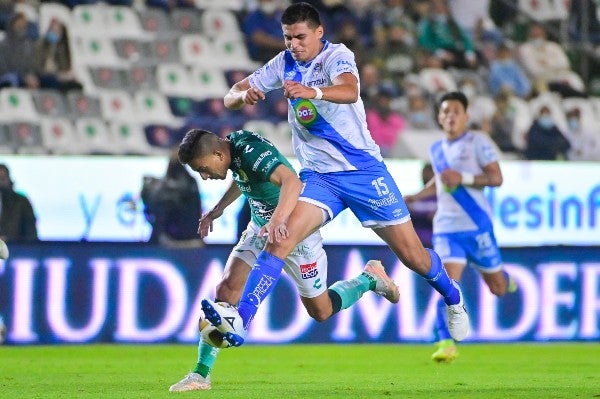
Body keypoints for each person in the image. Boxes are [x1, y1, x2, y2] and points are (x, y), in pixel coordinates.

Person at [201, 2, 469, 349]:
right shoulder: (282, 63)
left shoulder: (337, 56)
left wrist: (312, 91)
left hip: (363, 172)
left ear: (318, 33)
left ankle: (453, 297)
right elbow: (231, 93)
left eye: (300, 37)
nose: (293, 44)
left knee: (414, 257)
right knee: (280, 239)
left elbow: (350, 90)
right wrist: (244, 95)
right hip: (320, 178)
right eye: (287, 38)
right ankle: (243, 319)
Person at [169, 128, 399, 391]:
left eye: (203, 169)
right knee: (225, 289)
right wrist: (218, 209)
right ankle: (200, 375)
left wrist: (278, 219)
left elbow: (292, 182)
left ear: (218, 154)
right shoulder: (233, 151)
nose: (204, 176)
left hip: (294, 232)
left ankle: (369, 278)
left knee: (321, 310)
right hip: (260, 229)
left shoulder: (251, 151)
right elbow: (244, 179)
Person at [404, 91, 516, 363]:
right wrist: (417, 196)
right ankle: (445, 342)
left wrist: (463, 177)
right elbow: (441, 181)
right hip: (446, 229)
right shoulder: (436, 149)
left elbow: (496, 178)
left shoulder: (479, 141)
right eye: (445, 112)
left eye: (455, 111)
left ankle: (506, 279)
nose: (450, 116)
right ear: (439, 118)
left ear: (465, 116)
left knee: (498, 288)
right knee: (446, 286)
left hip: (476, 226)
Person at [0, 164, 38, 243]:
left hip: (16, 250)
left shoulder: (21, 202)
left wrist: (9, 239)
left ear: (8, 179)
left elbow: (31, 232)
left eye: (3, 178)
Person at [406, 163, 436, 248]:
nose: (426, 176)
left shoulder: (444, 199)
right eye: (424, 173)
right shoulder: (412, 199)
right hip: (416, 245)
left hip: (437, 243)